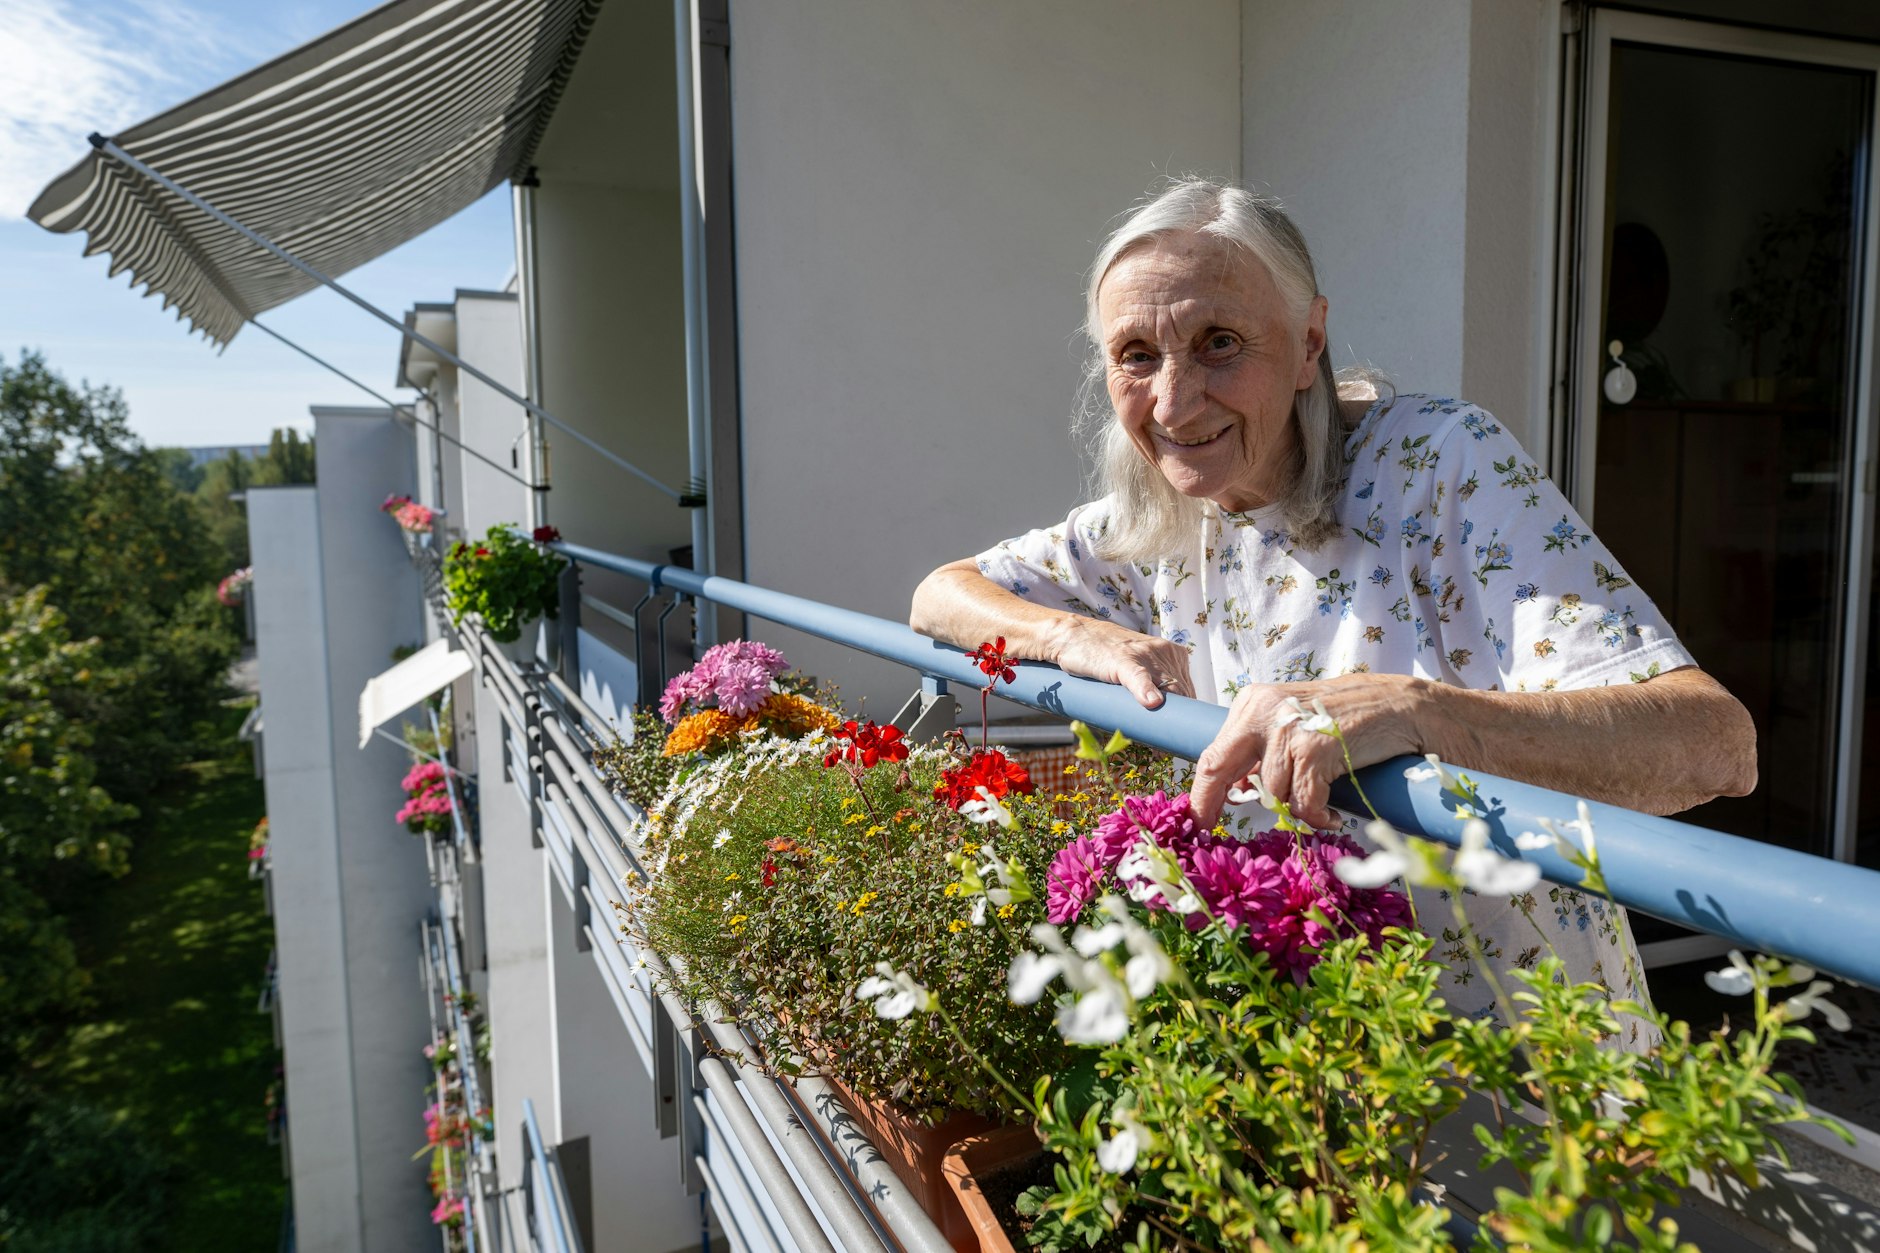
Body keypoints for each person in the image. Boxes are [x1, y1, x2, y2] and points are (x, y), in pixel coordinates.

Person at [910, 178, 1756, 1025]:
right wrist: (1075, 637)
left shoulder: (1440, 465)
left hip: (1522, 1064)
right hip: (1303, 1072)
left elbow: (1714, 742)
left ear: (1309, 340)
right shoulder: (1158, 514)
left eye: (1219, 343)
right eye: (1136, 355)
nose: (1173, 401)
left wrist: (1420, 711)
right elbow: (941, 594)